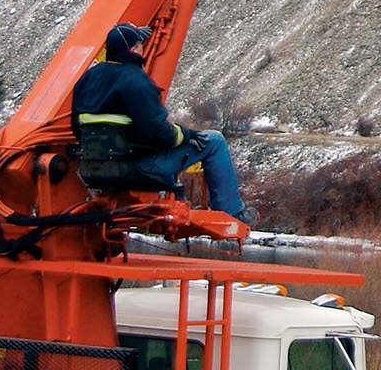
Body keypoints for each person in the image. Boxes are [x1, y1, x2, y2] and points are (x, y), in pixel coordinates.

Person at [71, 22, 250, 221]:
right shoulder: (136, 81)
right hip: (137, 168)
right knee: (214, 141)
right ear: (133, 49)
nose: (142, 47)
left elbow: (76, 128)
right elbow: (159, 133)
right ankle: (232, 212)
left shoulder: (86, 79)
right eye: (139, 43)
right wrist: (187, 135)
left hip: (94, 169)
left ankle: (175, 189)